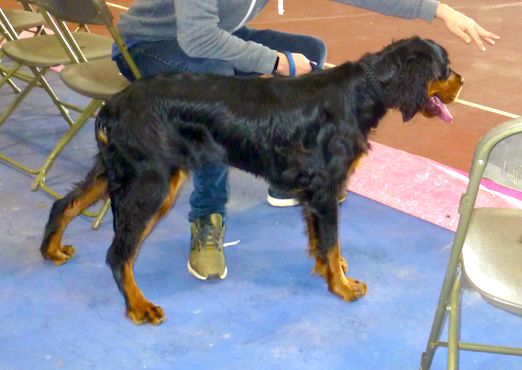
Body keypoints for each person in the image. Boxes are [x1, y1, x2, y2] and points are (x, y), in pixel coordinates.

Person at [112, 0, 500, 281]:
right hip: (151, 45)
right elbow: (198, 40)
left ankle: (289, 172)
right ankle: (208, 218)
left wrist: (438, 10)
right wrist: (274, 62)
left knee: (311, 51)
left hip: (217, 35)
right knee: (215, 87)